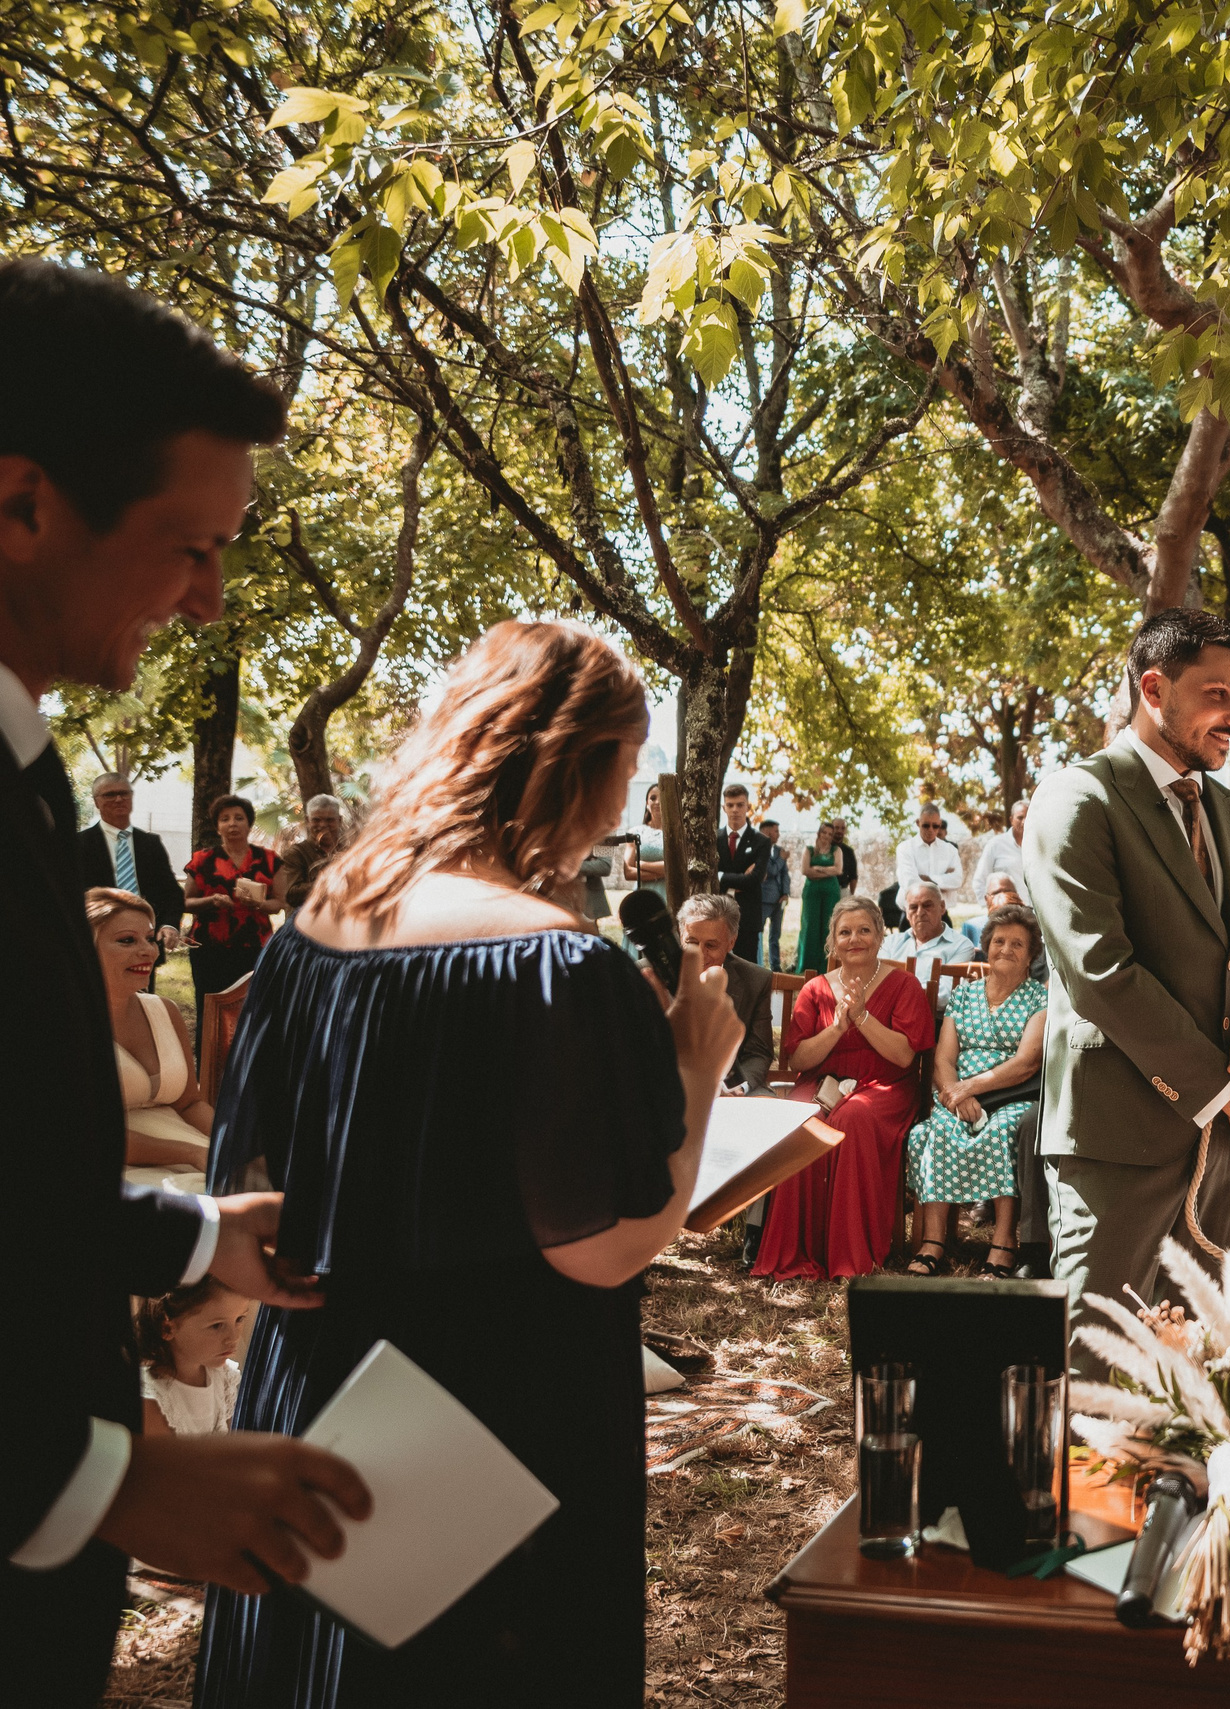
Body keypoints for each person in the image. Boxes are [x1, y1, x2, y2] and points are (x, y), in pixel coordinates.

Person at [196, 621, 739, 1706]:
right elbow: (601, 1245)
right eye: (626, 768)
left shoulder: (313, 929)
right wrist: (697, 1069)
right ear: (571, 762)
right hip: (498, 1423)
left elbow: (247, 1162)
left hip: (325, 1390)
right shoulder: (556, 961)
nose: (624, 806)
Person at [0, 260, 373, 1700]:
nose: (212, 602)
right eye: (188, 546)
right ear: (25, 504)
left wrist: (192, 1235)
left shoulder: (28, 769)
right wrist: (109, 1487)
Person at [1025, 609, 1230, 1353]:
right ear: (1154, 686)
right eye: (1219, 694)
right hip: (1118, 1142)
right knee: (1097, 1369)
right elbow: (1100, 974)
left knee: (1207, 1368)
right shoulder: (1077, 801)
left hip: (1229, 1152)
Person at [754, 896, 935, 1279]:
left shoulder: (903, 985)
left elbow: (904, 1057)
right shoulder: (816, 989)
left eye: (864, 930)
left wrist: (862, 1017)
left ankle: (848, 1255)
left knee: (853, 1116)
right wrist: (837, 1028)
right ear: (832, 941)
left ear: (881, 934)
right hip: (822, 1083)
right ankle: (797, 1251)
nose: (855, 939)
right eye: (845, 932)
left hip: (885, 1086)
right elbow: (799, 1060)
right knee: (802, 1119)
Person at [903, 905, 1049, 1278]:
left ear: (1031, 954)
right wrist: (954, 1093)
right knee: (933, 1131)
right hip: (956, 1095)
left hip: (1010, 1094)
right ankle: (934, 1242)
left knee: (1003, 1130)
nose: (1006, 948)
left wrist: (972, 1087)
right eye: (999, 941)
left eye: (1018, 943)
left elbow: (1027, 1062)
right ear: (986, 946)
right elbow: (944, 1058)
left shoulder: (1038, 999)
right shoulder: (964, 996)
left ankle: (1003, 1243)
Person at [93, 888, 215, 1186]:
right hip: (112, 1167)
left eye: (150, 938)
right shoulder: (66, 1024)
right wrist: (191, 1153)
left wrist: (236, 1144)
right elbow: (86, 1132)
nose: (149, 951)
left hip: (194, 1152)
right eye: (126, 940)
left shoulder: (165, 1011)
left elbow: (190, 1104)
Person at [183, 792, 282, 1006]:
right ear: (217, 826)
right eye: (224, 819)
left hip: (255, 945)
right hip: (209, 947)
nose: (232, 824)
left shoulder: (269, 860)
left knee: (253, 1007)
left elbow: (278, 905)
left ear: (249, 824)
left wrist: (259, 904)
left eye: (239, 818)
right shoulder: (202, 860)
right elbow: (185, 902)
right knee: (209, 1008)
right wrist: (211, 901)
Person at [77, 771, 184, 968]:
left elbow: (172, 892)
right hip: (98, 941)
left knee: (142, 998)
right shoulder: (79, 844)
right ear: (96, 802)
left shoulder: (150, 843)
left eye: (124, 793)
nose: (118, 799)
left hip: (145, 940)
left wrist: (169, 925)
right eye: (109, 795)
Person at [677, 894, 776, 1094]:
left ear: (731, 943)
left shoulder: (755, 980)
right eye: (692, 942)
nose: (699, 954)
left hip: (730, 1086)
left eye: (711, 945)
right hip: (668, 1087)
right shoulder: (650, 975)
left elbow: (758, 1053)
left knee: (766, 1105)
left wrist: (738, 1088)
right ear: (680, 935)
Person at [137, 1279, 252, 1437]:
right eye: (217, 1325)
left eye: (239, 1319)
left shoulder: (224, 1378)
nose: (233, 1337)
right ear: (168, 1328)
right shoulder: (152, 1398)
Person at [273, 793, 346, 910]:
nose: (322, 825)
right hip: (305, 923)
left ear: (340, 820)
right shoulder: (295, 854)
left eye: (329, 820)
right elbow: (291, 895)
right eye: (316, 820)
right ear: (308, 820)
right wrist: (331, 882)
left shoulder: (350, 850)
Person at [711, 781, 773, 922]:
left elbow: (755, 879)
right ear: (723, 808)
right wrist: (741, 879)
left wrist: (720, 876)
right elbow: (707, 876)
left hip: (748, 916)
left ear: (748, 807)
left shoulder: (761, 841)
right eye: (730, 805)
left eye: (740, 805)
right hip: (717, 915)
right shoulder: (712, 839)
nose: (735, 810)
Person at [796, 818, 849, 973]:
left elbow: (838, 870)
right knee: (809, 926)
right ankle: (807, 965)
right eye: (824, 832)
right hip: (812, 893)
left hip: (830, 893)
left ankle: (827, 965)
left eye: (830, 833)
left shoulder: (836, 851)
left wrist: (818, 868)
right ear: (819, 833)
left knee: (828, 926)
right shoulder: (809, 850)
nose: (826, 836)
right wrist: (827, 870)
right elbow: (805, 870)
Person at [886, 878, 972, 965]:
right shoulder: (890, 944)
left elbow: (948, 979)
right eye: (913, 907)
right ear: (907, 912)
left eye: (927, 906)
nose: (920, 913)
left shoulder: (960, 946)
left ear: (942, 907)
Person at [894, 800, 965, 898]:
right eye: (926, 825)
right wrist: (942, 883)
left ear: (939, 824)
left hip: (941, 910)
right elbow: (909, 882)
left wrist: (928, 879)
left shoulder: (950, 850)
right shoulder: (905, 848)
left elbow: (957, 880)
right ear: (918, 823)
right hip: (912, 909)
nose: (930, 830)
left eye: (935, 826)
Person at [621, 780, 668, 903]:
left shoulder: (677, 834)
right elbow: (628, 872)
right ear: (647, 803)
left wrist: (641, 864)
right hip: (643, 895)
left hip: (670, 895)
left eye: (662, 797)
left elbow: (676, 867)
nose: (657, 802)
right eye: (653, 798)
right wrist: (663, 873)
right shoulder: (635, 832)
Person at [975, 796, 1030, 899]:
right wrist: (991, 906)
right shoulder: (996, 844)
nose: (1024, 822)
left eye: (1028, 817)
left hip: (1031, 912)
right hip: (1005, 911)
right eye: (1020, 817)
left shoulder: (1038, 848)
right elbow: (979, 881)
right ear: (1011, 820)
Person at [755, 817, 790, 967]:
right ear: (766, 832)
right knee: (758, 933)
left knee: (775, 935)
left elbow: (784, 874)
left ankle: (775, 965)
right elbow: (771, 870)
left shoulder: (778, 851)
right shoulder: (758, 849)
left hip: (779, 900)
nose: (778, 834)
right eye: (776, 831)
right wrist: (781, 860)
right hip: (764, 899)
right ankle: (757, 964)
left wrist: (786, 893)